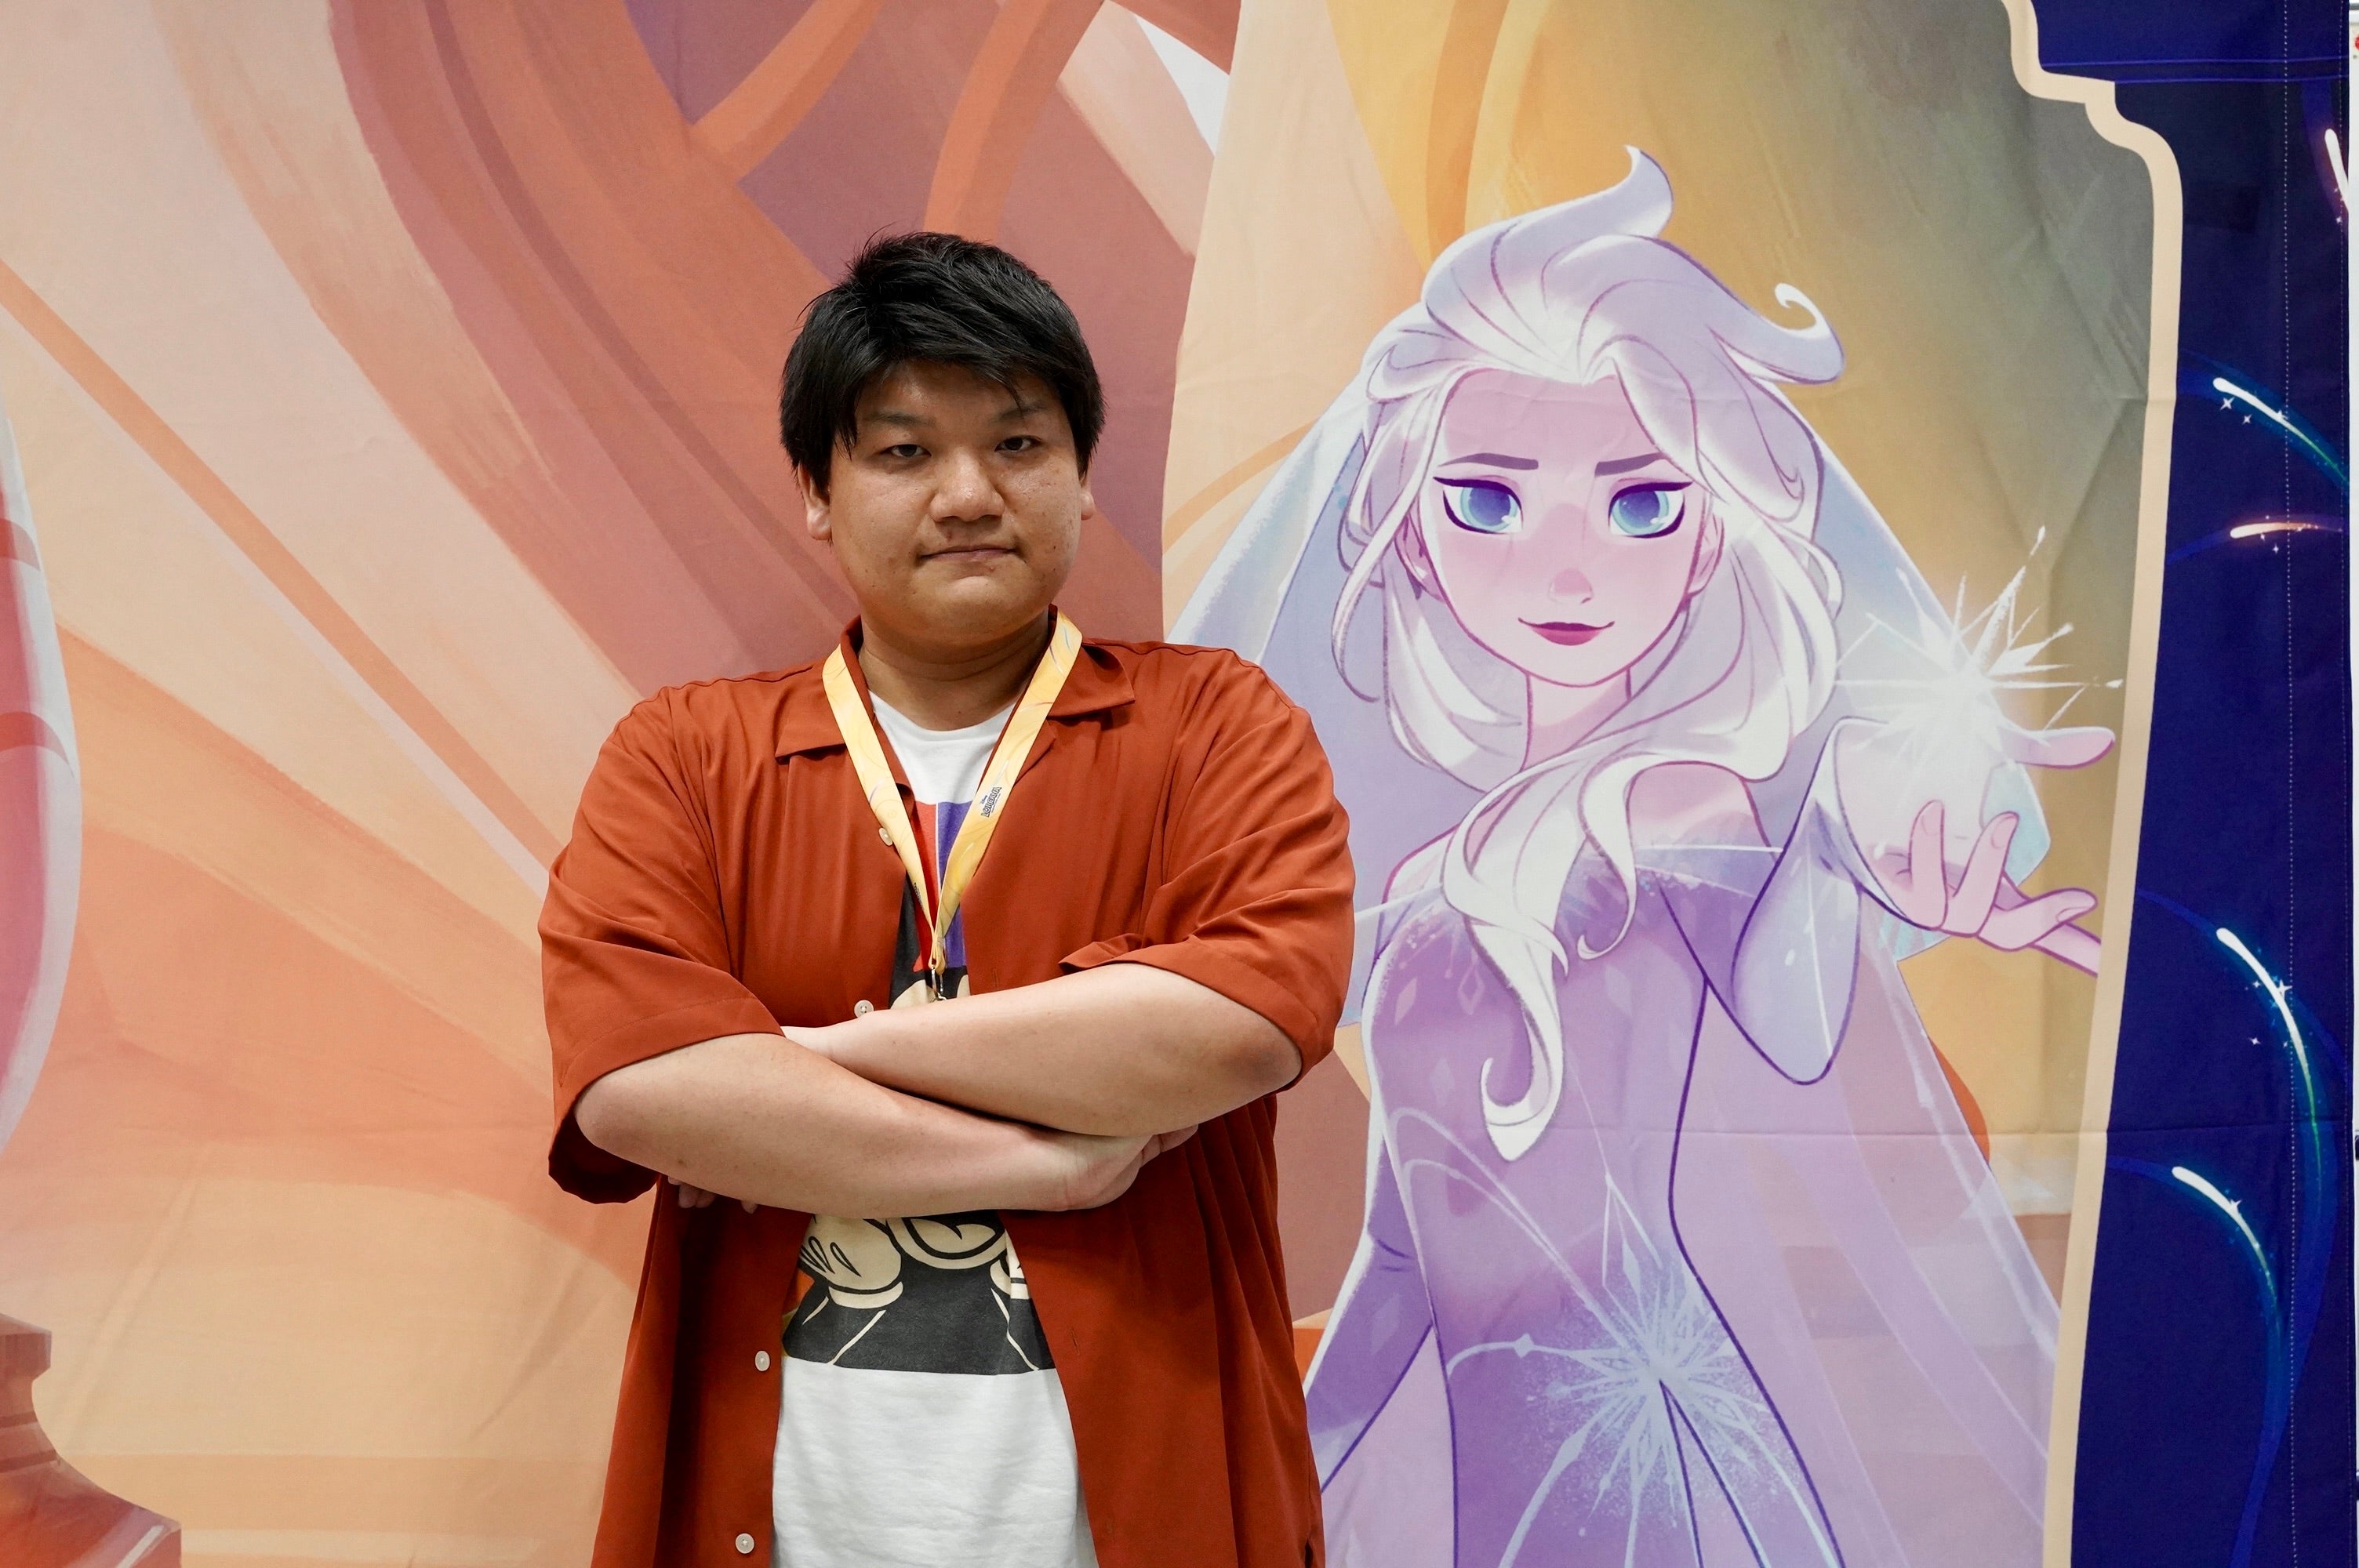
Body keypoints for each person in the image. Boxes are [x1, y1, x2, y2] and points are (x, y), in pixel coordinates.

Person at [1175, 151, 2111, 1566]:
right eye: (1488, 502)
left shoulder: (1699, 810)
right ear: (1410, 538)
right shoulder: (1425, 886)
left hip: (1672, 1474)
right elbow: (1408, 1253)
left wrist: (1849, 848)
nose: (1567, 570)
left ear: (1712, 537)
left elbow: (1788, 1003)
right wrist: (1308, 1467)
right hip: (1476, 1477)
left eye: (1640, 504)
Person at [541, 233, 1354, 1568]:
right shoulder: (685, 756)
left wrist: (792, 1062)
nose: (969, 494)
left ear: (1082, 475)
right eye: (905, 451)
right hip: (785, 1523)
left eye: (1019, 444)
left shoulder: (1216, 726)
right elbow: (632, 1093)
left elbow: (1247, 1021)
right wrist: (1051, 1167)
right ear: (819, 491)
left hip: (1144, 1518)